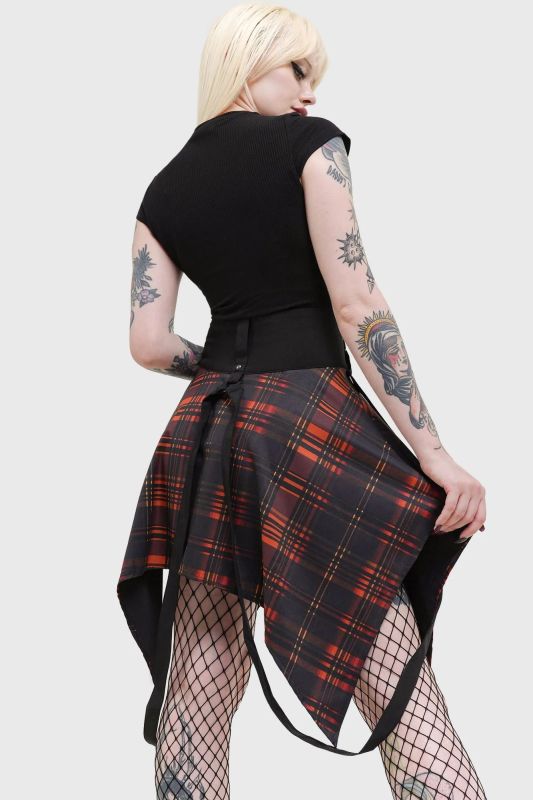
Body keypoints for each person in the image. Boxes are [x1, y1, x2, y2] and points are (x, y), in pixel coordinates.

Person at [117, 4, 488, 798]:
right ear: (249, 62)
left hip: (207, 433)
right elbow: (356, 306)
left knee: (198, 682)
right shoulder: (310, 146)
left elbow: (147, 342)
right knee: (391, 674)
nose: (308, 89)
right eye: (296, 69)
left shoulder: (163, 187)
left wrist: (227, 371)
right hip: (304, 422)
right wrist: (435, 456)